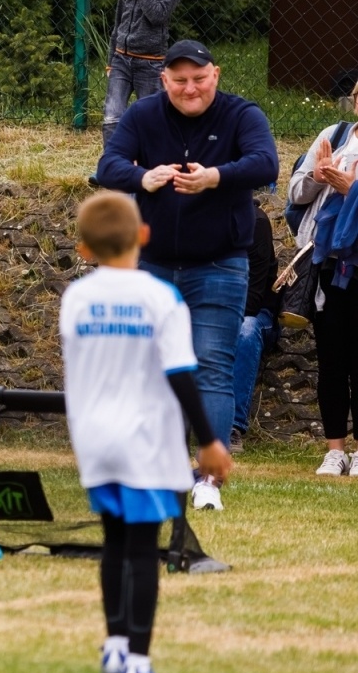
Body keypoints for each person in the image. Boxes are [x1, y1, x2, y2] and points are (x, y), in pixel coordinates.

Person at [59, 191, 232, 673]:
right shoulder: (161, 299)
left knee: (114, 542)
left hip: (94, 437)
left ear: (84, 249)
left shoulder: (76, 298)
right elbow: (181, 375)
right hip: (145, 438)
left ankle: (114, 646)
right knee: (142, 550)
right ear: (144, 237)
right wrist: (209, 441)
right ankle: (137, 659)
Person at [95, 40, 278, 510]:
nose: (189, 88)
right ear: (164, 81)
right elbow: (108, 164)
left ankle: (207, 480)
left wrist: (214, 176)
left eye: (198, 78)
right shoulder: (142, 116)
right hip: (152, 264)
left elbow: (266, 163)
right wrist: (143, 178)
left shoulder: (242, 114)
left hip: (220, 263)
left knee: (211, 365)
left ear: (214, 75)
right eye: (179, 80)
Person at [286, 82, 358, 477]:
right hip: (328, 264)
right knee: (332, 359)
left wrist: (353, 190)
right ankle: (335, 450)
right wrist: (317, 175)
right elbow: (296, 193)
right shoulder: (334, 136)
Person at [101, 0, 185, 144]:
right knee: (112, 116)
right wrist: (111, 58)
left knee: (152, 119)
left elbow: (157, 15)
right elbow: (119, 21)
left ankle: (150, 168)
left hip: (150, 64)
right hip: (121, 60)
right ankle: (113, 166)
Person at [226, 199, 280, 449]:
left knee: (246, 330)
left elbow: (253, 299)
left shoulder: (255, 222)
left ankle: (232, 427)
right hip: (216, 313)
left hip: (258, 316)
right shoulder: (197, 221)